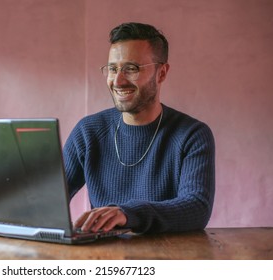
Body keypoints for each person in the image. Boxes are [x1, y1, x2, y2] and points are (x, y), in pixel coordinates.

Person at [63, 22, 215, 234]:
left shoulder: (192, 134)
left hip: (169, 258)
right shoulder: (88, 131)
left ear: (161, 73)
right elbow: (49, 199)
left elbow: (196, 207)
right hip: (105, 260)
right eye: (113, 69)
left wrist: (127, 213)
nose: (118, 80)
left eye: (131, 69)